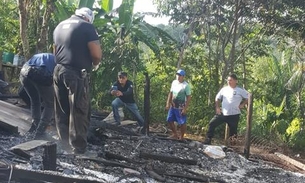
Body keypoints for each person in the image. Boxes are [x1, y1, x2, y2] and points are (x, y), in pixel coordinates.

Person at [53, 7, 102, 154]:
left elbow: (55, 51)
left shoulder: (59, 26)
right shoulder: (87, 26)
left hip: (58, 71)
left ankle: (63, 146)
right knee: (79, 110)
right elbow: (96, 54)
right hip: (76, 73)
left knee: (62, 109)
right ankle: (78, 148)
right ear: (88, 18)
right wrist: (95, 64)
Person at [203, 73, 248, 145]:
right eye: (228, 80)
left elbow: (248, 97)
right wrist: (217, 107)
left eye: (231, 80)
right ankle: (208, 139)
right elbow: (217, 98)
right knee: (212, 123)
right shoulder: (224, 89)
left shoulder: (240, 90)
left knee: (233, 132)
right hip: (223, 113)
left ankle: (233, 146)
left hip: (234, 114)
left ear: (236, 81)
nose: (229, 82)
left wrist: (243, 104)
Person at [19, 53, 56, 137]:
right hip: (40, 72)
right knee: (50, 104)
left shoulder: (45, 56)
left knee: (35, 100)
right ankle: (40, 132)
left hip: (24, 72)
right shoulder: (60, 62)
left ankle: (34, 126)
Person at [165, 69, 191, 140]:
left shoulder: (186, 86)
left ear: (183, 76)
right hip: (173, 105)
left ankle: (182, 136)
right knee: (169, 119)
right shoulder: (174, 82)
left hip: (181, 106)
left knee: (182, 122)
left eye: (180, 75)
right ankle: (175, 134)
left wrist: (185, 108)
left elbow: (189, 97)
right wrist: (168, 103)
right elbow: (171, 93)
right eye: (177, 75)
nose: (178, 77)